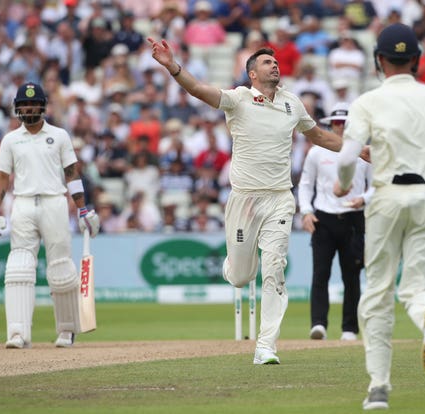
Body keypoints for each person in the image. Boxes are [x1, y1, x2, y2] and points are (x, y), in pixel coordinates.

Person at [148, 38, 345, 365]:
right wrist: (172, 66)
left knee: (274, 268)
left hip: (280, 198)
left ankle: (266, 346)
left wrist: (356, 150)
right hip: (245, 200)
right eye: (267, 63)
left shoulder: (291, 103)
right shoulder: (238, 98)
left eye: (276, 62)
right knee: (241, 276)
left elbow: (320, 137)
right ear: (252, 74)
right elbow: (197, 89)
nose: (275, 66)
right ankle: (233, 266)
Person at [332, 24, 425, 410]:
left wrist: (343, 185)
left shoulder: (368, 102)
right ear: (416, 60)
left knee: (377, 293)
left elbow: (347, 157)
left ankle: (379, 387)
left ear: (379, 60)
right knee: (418, 286)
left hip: (388, 197)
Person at [0, 82, 100, 349]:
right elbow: (1, 176)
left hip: (54, 203)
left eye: (32, 103)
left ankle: (67, 329)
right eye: (23, 104)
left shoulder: (58, 135)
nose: (27, 108)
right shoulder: (10, 139)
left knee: (60, 268)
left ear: (42, 105)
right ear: (17, 107)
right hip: (23, 204)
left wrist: (82, 208)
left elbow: (71, 173)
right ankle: (17, 333)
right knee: (18, 267)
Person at [298, 102, 373, 342]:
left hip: (353, 218)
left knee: (351, 275)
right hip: (324, 218)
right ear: (331, 124)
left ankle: (349, 328)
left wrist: (363, 199)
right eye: (337, 123)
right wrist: (306, 211)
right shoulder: (317, 152)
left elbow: (378, 184)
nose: (340, 128)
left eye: (345, 123)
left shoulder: (364, 152)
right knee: (320, 274)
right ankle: (318, 324)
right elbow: (306, 184)